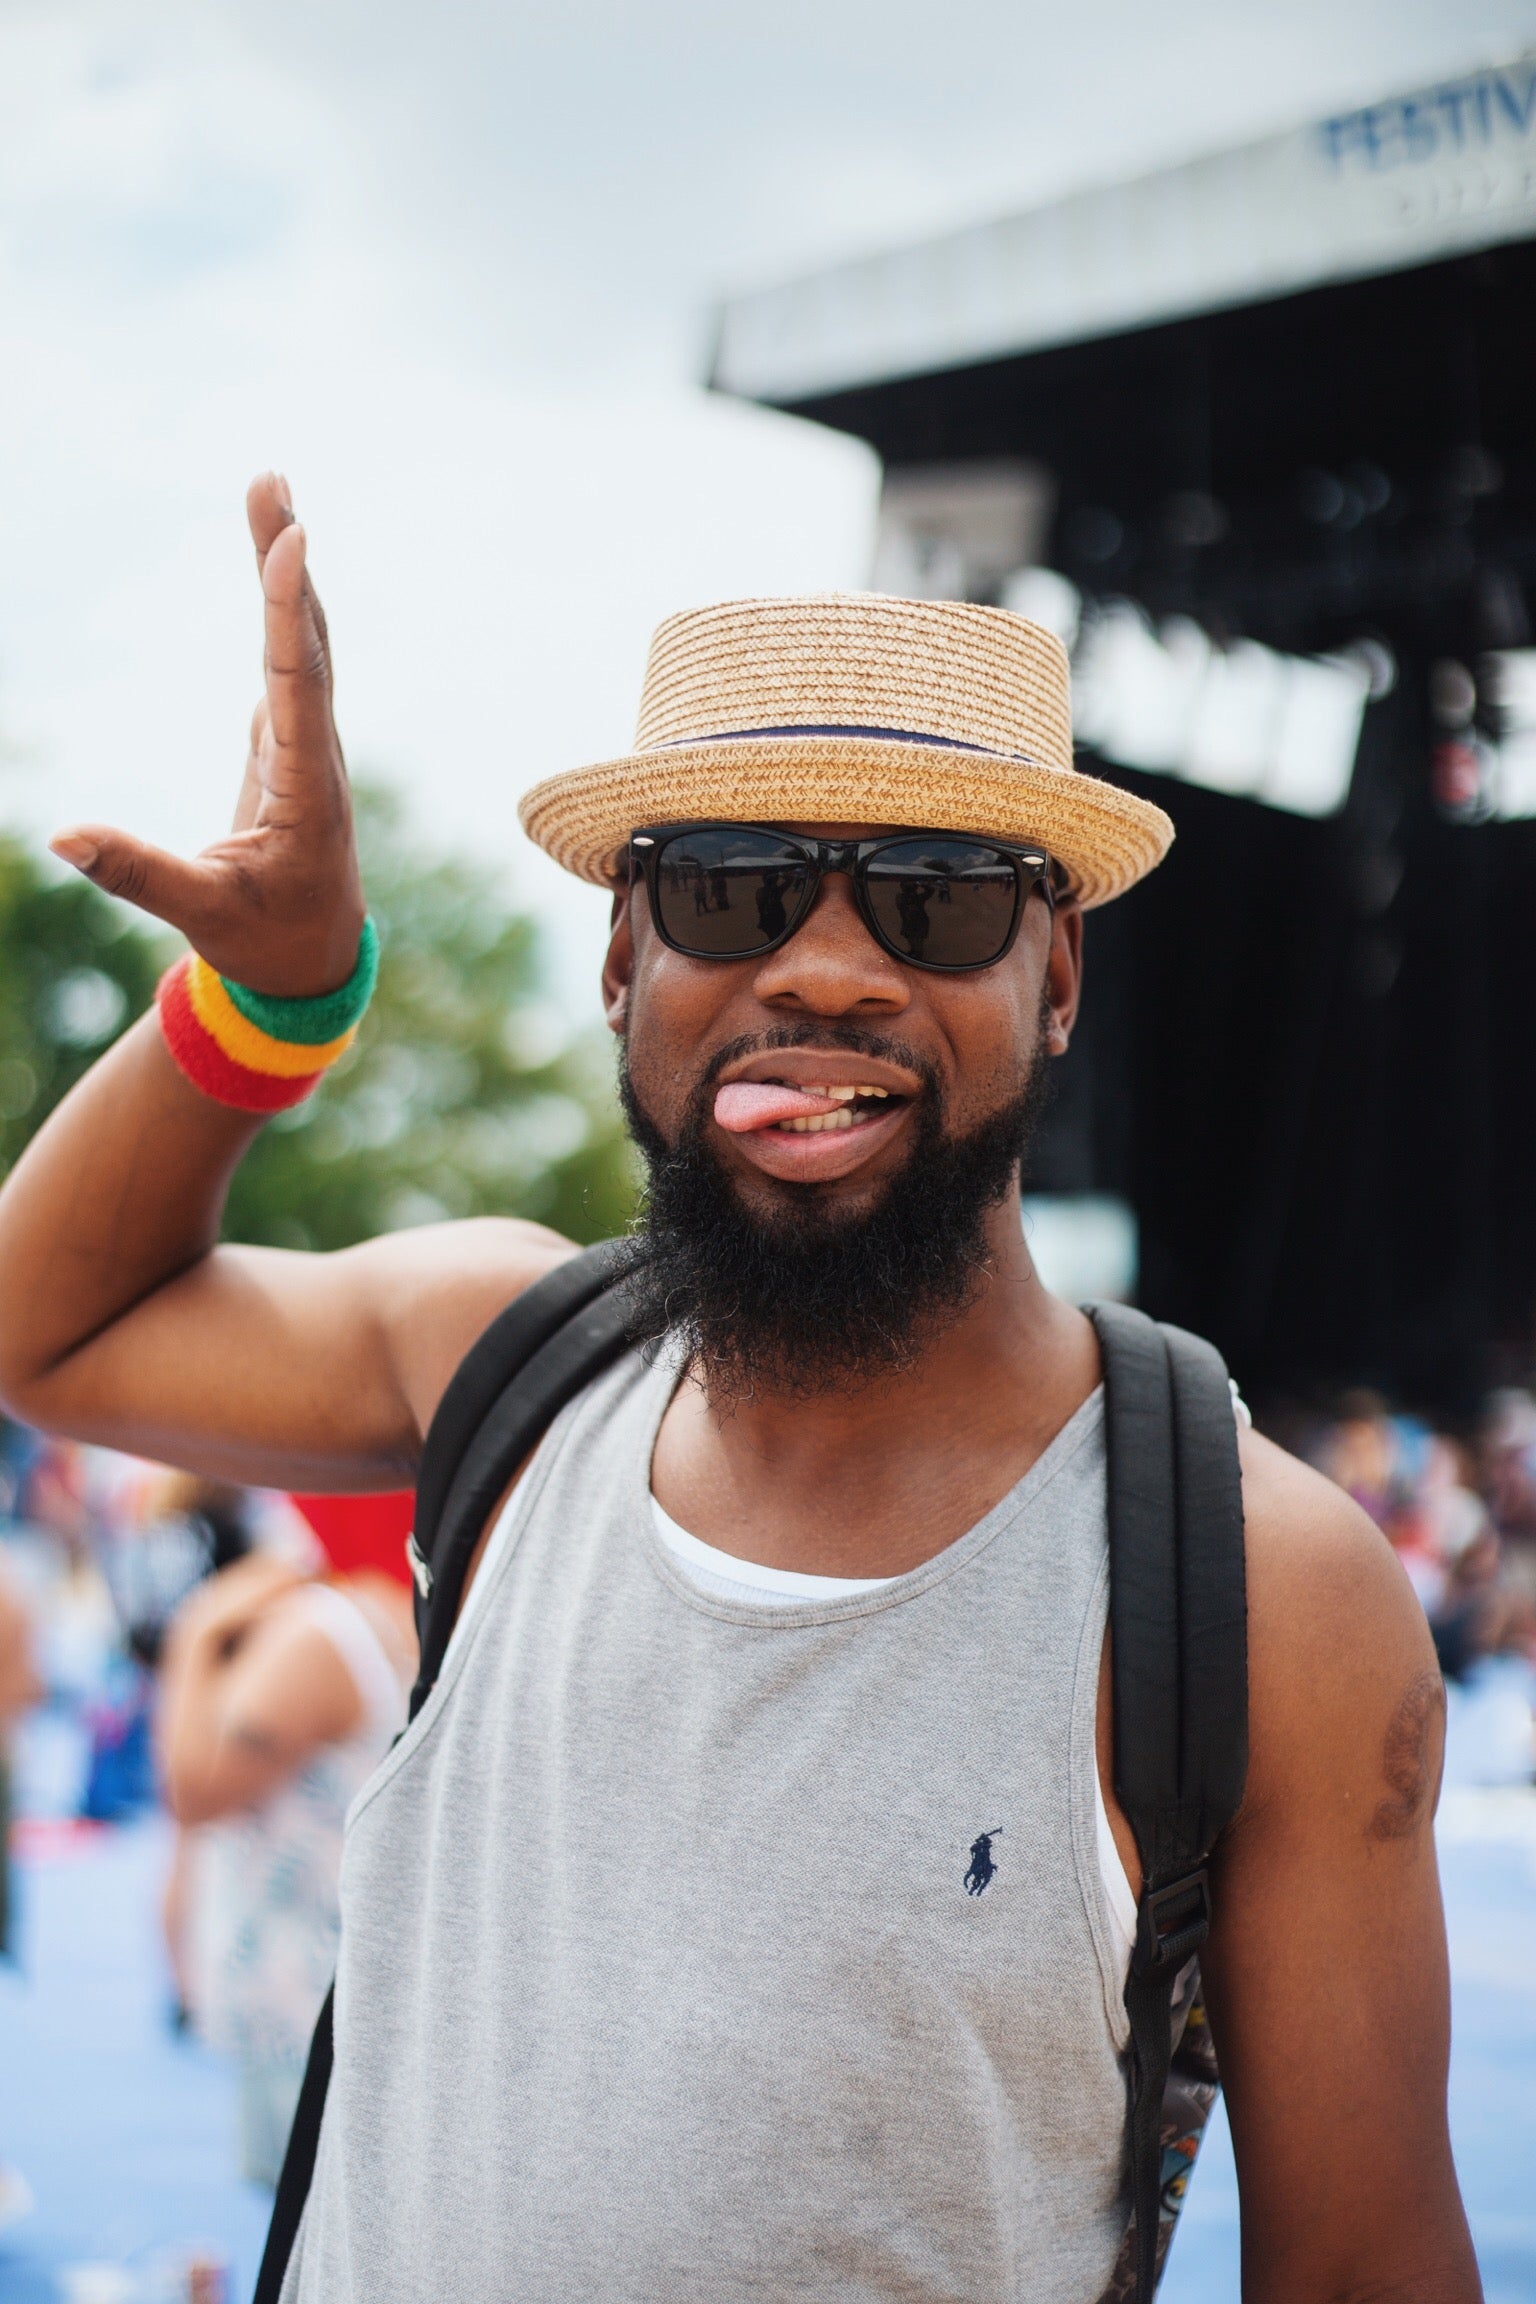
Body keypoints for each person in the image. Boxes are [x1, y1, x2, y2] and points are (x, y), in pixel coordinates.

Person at [0, 475, 1477, 2302]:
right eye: (729, 887)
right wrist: (266, 1008)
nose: (829, 968)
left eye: (939, 901)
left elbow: (1364, 2268)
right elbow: (50, 1326)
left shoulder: (1257, 1584)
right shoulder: (502, 1358)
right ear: (625, 955)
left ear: (1060, 974)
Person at [156, 1550, 413, 2185]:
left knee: (303, 2205)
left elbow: (193, 1791)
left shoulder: (315, 1638)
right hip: (335, 1982)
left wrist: (196, 1634)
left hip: (303, 1997)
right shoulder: (369, 1611)